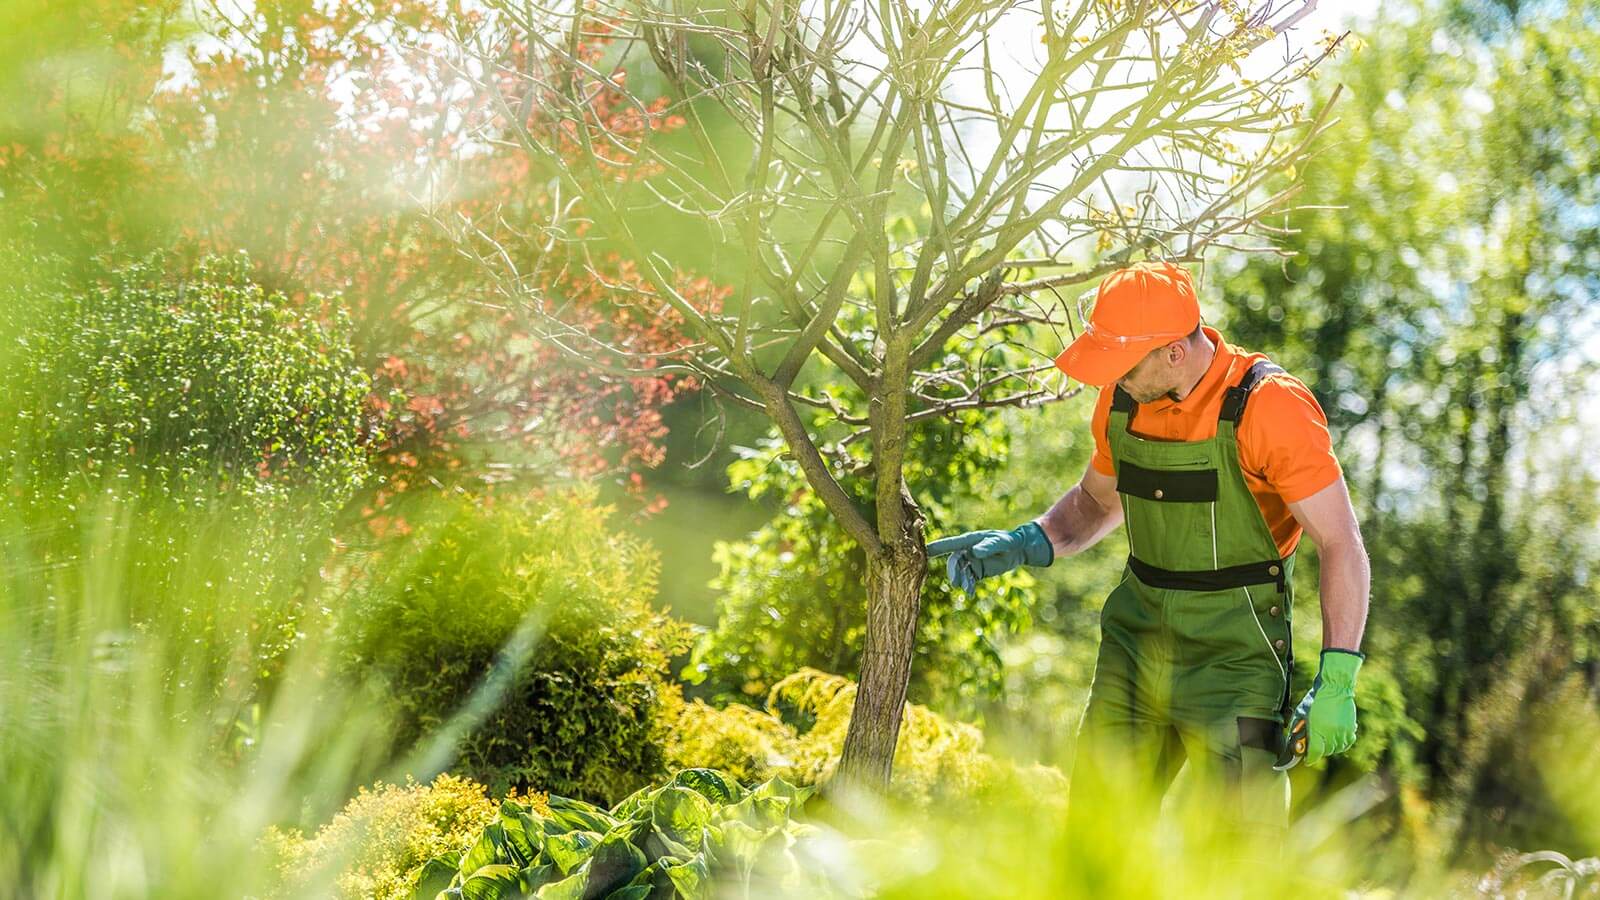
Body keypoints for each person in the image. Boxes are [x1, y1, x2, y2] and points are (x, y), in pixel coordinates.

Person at [929, 262, 1370, 849]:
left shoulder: (1268, 408)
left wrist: (1338, 675)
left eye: (1122, 365)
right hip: (1135, 648)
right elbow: (1095, 501)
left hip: (1235, 662)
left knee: (1238, 859)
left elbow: (1341, 542)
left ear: (1174, 354)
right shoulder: (1123, 401)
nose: (1109, 380)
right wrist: (1027, 542)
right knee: (1096, 842)